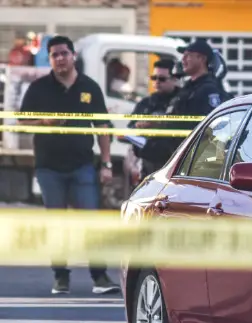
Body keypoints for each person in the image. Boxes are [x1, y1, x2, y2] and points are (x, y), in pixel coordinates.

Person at [18, 35, 120, 295]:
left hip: (82, 166)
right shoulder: (39, 88)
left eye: (64, 53)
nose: (60, 58)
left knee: (90, 223)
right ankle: (60, 277)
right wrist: (44, 123)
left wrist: (106, 163)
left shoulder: (90, 87)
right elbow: (21, 121)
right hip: (48, 167)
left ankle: (99, 277)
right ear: (49, 59)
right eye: (54, 55)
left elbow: (103, 128)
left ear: (73, 56)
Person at [137, 39, 232, 168]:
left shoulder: (209, 90)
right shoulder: (188, 88)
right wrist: (156, 124)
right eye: (184, 56)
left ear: (201, 59)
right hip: (179, 158)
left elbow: (209, 129)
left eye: (188, 56)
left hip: (196, 162)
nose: (183, 59)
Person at [128, 58, 181, 180]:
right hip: (148, 166)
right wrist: (144, 144)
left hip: (176, 165)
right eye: (154, 78)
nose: (157, 82)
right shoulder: (145, 104)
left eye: (162, 79)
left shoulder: (182, 102)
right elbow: (130, 132)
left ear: (174, 79)